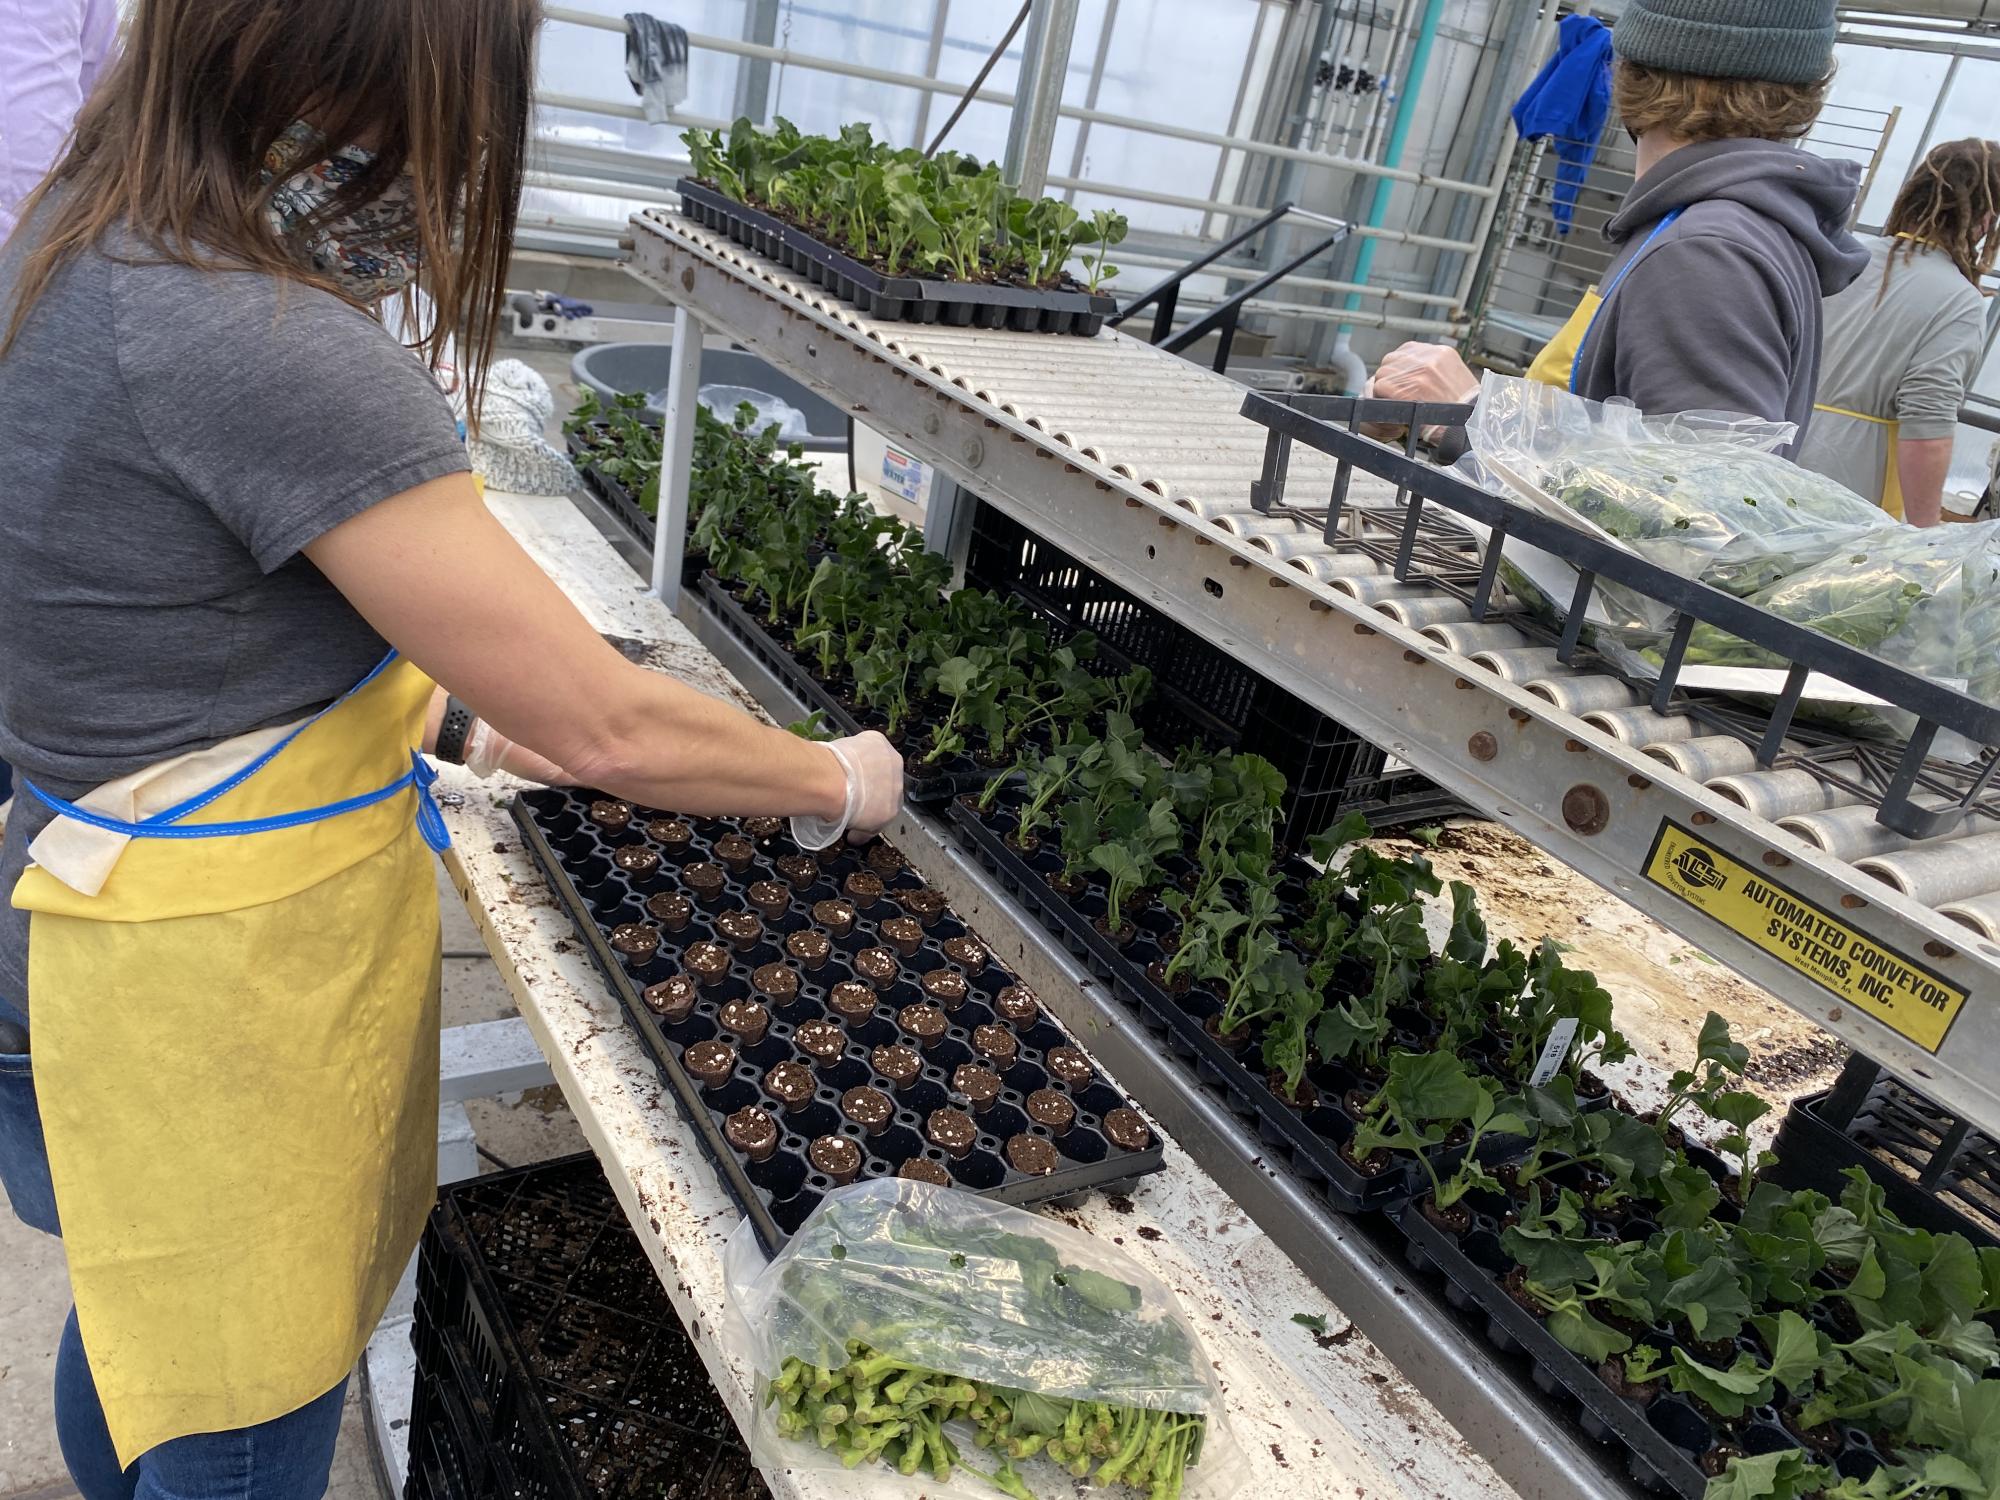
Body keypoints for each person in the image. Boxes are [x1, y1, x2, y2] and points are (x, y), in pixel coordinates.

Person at [0, 3, 903, 1498]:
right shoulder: (260, 341)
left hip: (67, 923)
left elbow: (175, 618)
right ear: (365, 80)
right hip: (196, 1001)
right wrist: (834, 779)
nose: (445, 167)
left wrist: (452, 714)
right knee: (240, 1400)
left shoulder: (77, 240)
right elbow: (601, 720)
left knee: (135, 1300)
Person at [1373, 0, 1866, 454]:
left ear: (1628, 70)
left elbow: (1697, 514)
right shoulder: (1734, 224)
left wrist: (1468, 414)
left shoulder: (1703, 251)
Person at [1795, 140, 2000, 526]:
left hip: (1774, 449)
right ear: (1985, 220)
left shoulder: (1843, 256)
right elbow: (1927, 430)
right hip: (1848, 489)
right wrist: (1925, 532)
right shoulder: (1957, 299)